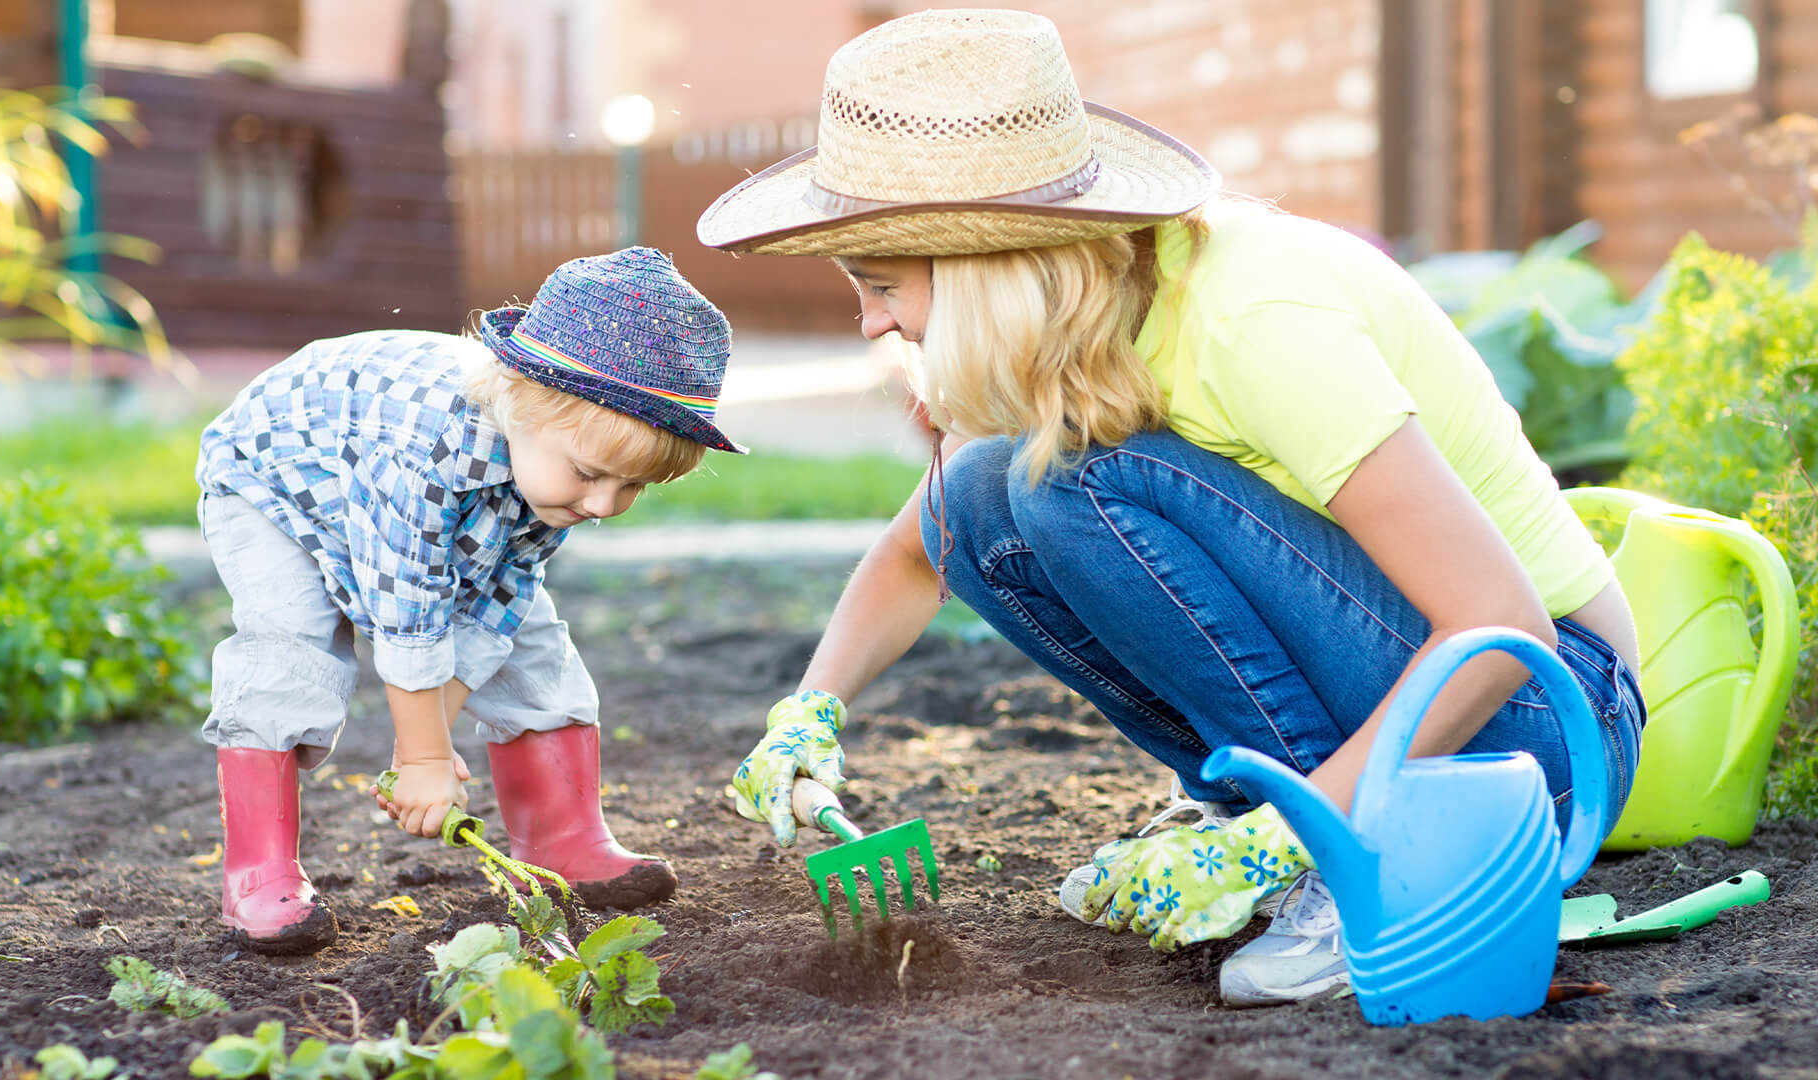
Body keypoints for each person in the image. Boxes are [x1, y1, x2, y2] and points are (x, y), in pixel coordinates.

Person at [699, 9, 1644, 1007]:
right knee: (983, 492)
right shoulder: (1099, 308)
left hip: (1538, 737)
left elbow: (1500, 629)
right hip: (1444, 706)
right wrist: (807, 713)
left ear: (990, 270)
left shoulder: (1254, 322)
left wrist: (1283, 844)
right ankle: (1256, 808)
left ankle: (1348, 855)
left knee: (1068, 483)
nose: (871, 323)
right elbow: (919, 550)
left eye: (883, 285)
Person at [195, 247, 745, 953]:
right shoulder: (422, 450)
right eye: (590, 475)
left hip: (400, 495)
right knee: (290, 646)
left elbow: (499, 604)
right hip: (277, 487)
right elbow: (408, 607)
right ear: (517, 400)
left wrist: (428, 734)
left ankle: (564, 839)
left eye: (633, 486)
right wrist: (424, 759)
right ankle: (257, 872)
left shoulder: (553, 474)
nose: (606, 505)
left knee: (533, 646)